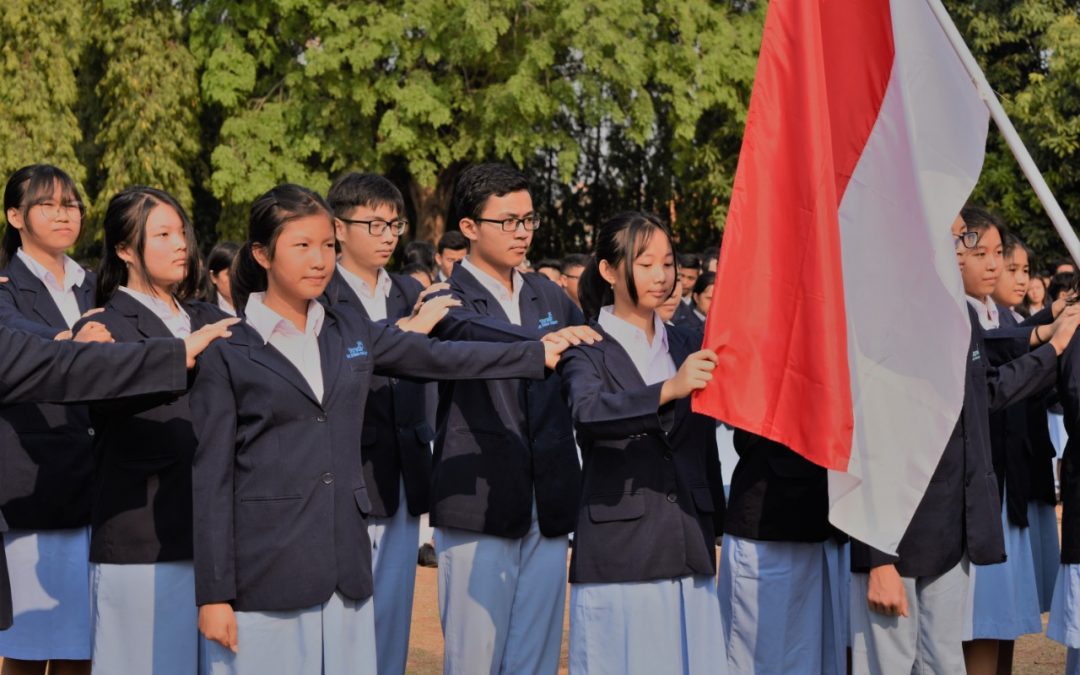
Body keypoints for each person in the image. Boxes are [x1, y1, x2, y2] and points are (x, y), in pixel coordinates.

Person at [191, 183, 569, 675]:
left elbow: (439, 357)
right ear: (262, 254)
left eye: (326, 245)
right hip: (264, 576)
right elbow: (212, 479)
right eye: (302, 246)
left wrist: (536, 353)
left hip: (344, 571)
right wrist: (215, 594)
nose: (319, 260)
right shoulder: (228, 350)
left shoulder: (349, 333)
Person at [849, 210, 1080, 674]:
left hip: (950, 531)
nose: (967, 250)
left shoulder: (956, 313)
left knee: (943, 663)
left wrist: (1049, 344)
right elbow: (866, 440)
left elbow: (986, 389)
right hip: (895, 537)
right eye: (961, 240)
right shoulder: (883, 321)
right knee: (891, 665)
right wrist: (877, 559)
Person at [428, 163, 597, 674]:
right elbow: (471, 335)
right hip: (477, 503)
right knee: (475, 658)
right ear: (470, 227)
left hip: (547, 498)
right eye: (507, 221)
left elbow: (582, 360)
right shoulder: (444, 301)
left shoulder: (547, 295)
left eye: (528, 220)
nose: (521, 232)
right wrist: (539, 345)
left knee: (537, 657)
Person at [558, 211, 725, 674]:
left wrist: (715, 523)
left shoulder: (688, 342)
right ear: (609, 271)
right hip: (621, 548)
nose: (661, 275)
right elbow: (588, 414)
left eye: (668, 263)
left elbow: (703, 444)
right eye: (645, 263)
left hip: (688, 541)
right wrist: (667, 390)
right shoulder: (585, 345)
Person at [72, 186, 229, 675]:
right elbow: (103, 401)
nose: (180, 243)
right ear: (124, 249)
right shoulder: (104, 326)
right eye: (162, 234)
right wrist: (177, 358)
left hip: (213, 536)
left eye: (181, 231)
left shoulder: (208, 316)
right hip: (143, 538)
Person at [321, 171, 450, 675]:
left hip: (404, 474)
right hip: (347, 474)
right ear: (338, 227)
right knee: (344, 620)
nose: (388, 235)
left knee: (392, 619)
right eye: (374, 224)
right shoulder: (322, 292)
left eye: (394, 224)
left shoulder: (408, 291)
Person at [0, 164, 110, 675]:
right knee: (28, 650)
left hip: (103, 492)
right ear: (15, 216)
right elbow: (13, 337)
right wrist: (68, 341)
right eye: (49, 204)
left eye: (72, 204)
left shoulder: (99, 287)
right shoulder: (5, 288)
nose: (65, 214)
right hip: (34, 490)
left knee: (86, 649)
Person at [962, 217, 1046, 675]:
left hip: (1008, 487)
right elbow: (999, 360)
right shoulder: (964, 316)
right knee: (980, 620)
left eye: (1001, 255)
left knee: (1006, 617)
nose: (995, 266)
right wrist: (1047, 339)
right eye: (982, 254)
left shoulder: (1006, 317)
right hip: (979, 493)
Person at [206, 241, 241, 316]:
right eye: (229, 274)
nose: (235, 279)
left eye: (239, 273)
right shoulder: (202, 313)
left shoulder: (252, 308)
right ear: (213, 277)